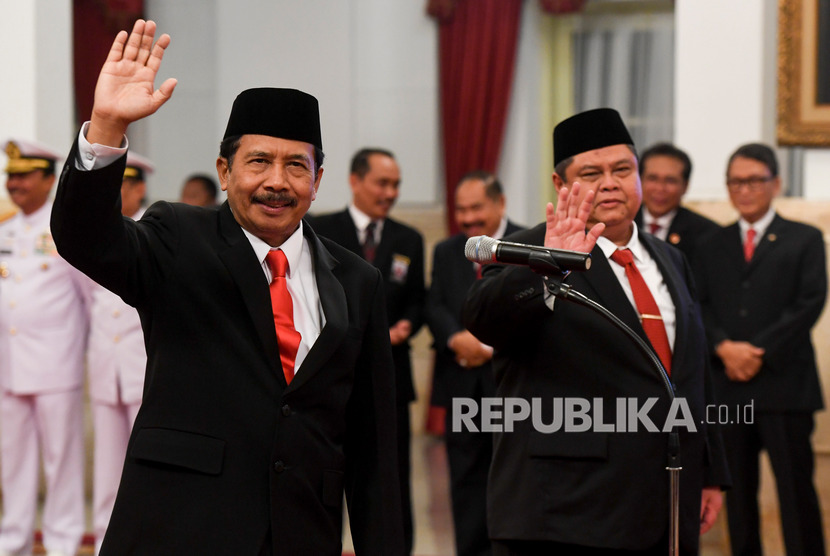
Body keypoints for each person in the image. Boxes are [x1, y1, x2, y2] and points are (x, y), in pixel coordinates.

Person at [51, 20, 403, 555]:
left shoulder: (359, 280)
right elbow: (85, 239)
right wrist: (105, 127)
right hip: (180, 530)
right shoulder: (178, 238)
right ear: (225, 169)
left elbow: (373, 447)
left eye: (296, 166)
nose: (277, 182)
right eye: (258, 161)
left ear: (318, 180)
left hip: (301, 535)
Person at [462, 108, 730, 556]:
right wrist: (549, 261)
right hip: (566, 513)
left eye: (622, 169)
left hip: (666, 500)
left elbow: (694, 371)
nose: (610, 182)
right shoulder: (528, 250)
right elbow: (484, 318)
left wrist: (711, 473)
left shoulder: (670, 258)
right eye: (591, 173)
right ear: (561, 185)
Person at [696, 143, 827, 556]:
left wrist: (757, 352)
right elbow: (698, 304)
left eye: (754, 180)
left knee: (795, 493)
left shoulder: (804, 238)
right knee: (739, 496)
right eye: (736, 181)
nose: (745, 190)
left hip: (784, 385)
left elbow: (810, 301)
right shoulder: (709, 243)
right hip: (728, 388)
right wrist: (723, 347)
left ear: (776, 183)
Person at [307, 147, 425, 553]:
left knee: (389, 476)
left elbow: (416, 300)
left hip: (389, 377)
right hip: (328, 377)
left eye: (396, 185)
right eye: (382, 183)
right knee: (322, 475)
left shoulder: (409, 239)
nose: (390, 192)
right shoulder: (318, 229)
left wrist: (407, 324)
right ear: (355, 181)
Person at [425, 170, 523, 556]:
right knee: (466, 481)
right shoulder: (448, 250)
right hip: (462, 385)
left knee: (515, 478)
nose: (467, 219)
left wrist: (489, 345)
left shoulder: (528, 244)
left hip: (512, 386)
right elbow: (435, 303)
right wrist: (454, 338)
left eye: (476, 208)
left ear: (499, 203)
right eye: (461, 210)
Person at [0, 138, 90, 556]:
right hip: (9, 368)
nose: (14, 183)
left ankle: (62, 544)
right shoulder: (5, 230)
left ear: (49, 179)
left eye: (23, 175)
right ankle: (13, 542)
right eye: (10, 176)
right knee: (12, 464)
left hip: (56, 365)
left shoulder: (66, 233)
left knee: (62, 462)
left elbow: (91, 299)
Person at [87, 151, 153, 555]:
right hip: (105, 369)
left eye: (122, 184)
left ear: (139, 187)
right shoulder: (98, 232)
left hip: (147, 370)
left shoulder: (158, 229)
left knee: (149, 473)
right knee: (107, 471)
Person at [634, 142, 720, 264]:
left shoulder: (707, 235)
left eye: (670, 181)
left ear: (685, 186)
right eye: (652, 178)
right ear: (639, 180)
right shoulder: (620, 225)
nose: (660, 188)